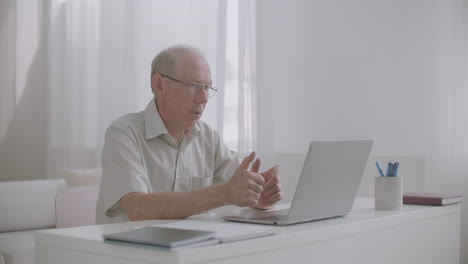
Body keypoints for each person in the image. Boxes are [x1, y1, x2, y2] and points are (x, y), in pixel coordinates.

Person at [96, 44, 283, 224]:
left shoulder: (208, 137)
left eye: (207, 88)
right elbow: (138, 208)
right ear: (160, 85)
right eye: (193, 85)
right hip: (128, 252)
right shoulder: (124, 133)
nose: (203, 98)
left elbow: (239, 188)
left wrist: (258, 195)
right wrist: (224, 194)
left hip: (187, 250)